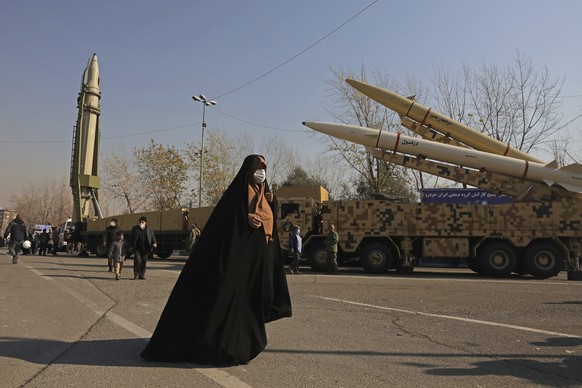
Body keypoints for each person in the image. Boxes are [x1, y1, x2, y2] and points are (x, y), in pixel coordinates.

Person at [141, 154, 292, 366]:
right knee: (225, 299)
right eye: (258, 168)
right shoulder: (237, 194)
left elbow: (270, 225)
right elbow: (224, 220)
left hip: (255, 260)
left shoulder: (264, 194)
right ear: (248, 171)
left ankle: (241, 343)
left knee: (248, 302)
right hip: (234, 260)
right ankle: (219, 345)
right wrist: (244, 217)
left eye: (264, 169)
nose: (262, 173)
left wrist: (271, 203)